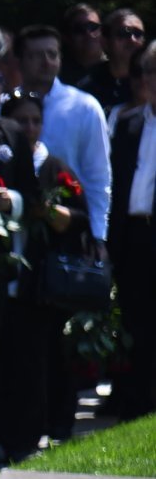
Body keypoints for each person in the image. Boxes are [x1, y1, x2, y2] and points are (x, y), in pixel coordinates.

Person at [0, 91, 90, 459]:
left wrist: (51, 213)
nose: (29, 127)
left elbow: (80, 213)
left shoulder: (54, 166)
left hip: (37, 283)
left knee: (33, 363)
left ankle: (29, 437)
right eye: (21, 120)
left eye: (35, 120)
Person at [17, 25, 111, 249]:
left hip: (66, 222)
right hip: (13, 221)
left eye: (52, 54)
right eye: (36, 55)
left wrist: (98, 235)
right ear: (20, 60)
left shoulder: (84, 106)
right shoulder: (5, 105)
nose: (46, 61)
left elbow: (98, 176)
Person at [108, 41, 156, 420]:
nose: (150, 80)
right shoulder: (128, 123)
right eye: (147, 72)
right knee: (133, 321)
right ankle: (135, 400)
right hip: (132, 236)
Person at [75, 8, 145, 111]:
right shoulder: (86, 86)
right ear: (105, 42)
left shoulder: (150, 83)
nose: (132, 40)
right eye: (124, 33)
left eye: (138, 34)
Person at [58, 3, 104, 86]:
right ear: (66, 37)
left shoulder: (117, 69)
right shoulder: (56, 76)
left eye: (93, 27)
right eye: (79, 29)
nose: (88, 34)